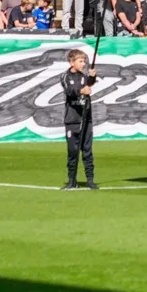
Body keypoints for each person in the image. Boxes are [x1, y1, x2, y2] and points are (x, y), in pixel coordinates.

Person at [61, 47, 97, 190]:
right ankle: (72, 180)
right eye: (80, 61)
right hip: (73, 119)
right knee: (73, 151)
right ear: (72, 62)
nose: (83, 64)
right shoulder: (65, 77)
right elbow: (69, 91)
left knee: (87, 150)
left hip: (86, 118)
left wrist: (92, 77)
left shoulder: (84, 77)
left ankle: (90, 180)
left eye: (84, 61)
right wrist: (81, 91)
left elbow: (89, 83)